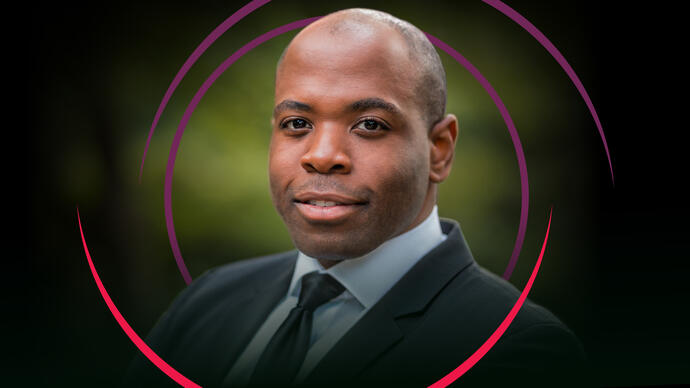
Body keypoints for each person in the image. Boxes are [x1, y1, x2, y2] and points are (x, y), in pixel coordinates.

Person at [124, 8, 587, 388]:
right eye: (297, 125)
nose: (322, 156)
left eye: (370, 125)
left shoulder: (517, 349)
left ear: (439, 149)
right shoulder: (208, 300)